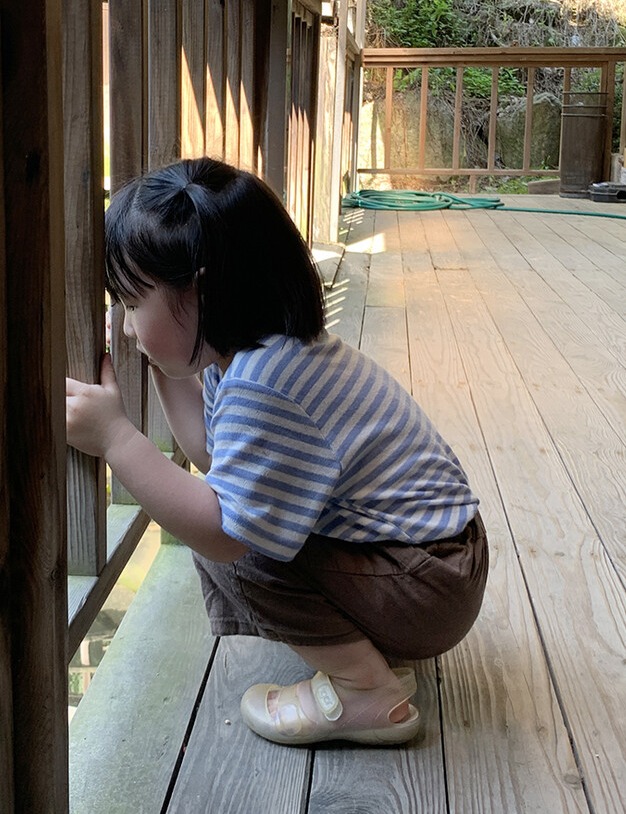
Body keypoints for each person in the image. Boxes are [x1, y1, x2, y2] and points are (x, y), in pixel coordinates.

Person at [65, 157, 488, 747]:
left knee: (238, 553)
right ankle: (364, 656)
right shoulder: (257, 350)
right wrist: (160, 364)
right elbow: (211, 454)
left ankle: (366, 692)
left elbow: (224, 532)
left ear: (203, 290)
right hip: (436, 562)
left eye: (133, 304)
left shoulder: (267, 385)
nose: (126, 325)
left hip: (430, 585)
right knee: (238, 529)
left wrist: (115, 438)